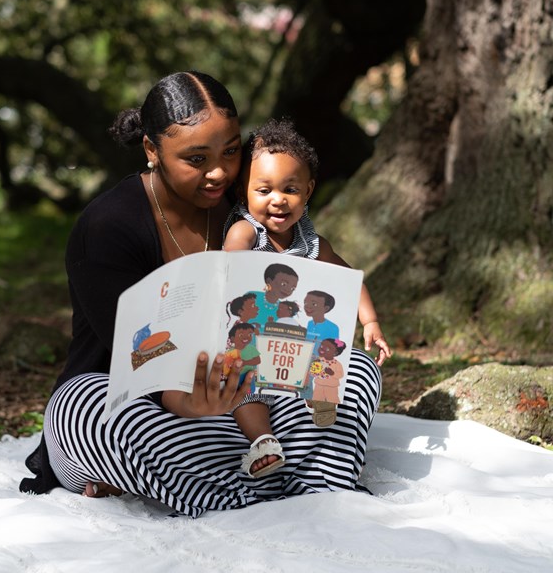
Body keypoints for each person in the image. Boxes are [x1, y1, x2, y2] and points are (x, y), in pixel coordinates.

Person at [21, 74, 382, 518]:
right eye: (196, 159)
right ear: (152, 151)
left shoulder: (250, 197)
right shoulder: (107, 226)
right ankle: (265, 493)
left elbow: (307, 270)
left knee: (354, 370)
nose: (220, 173)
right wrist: (189, 400)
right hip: (145, 405)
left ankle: (276, 481)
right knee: (80, 407)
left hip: (248, 400)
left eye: (231, 152)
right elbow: (130, 352)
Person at [223, 117, 391, 471]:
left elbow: (349, 278)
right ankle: (261, 441)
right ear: (243, 192)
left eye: (290, 189)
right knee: (244, 385)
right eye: (264, 190)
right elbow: (230, 265)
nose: (278, 201)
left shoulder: (312, 242)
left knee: (329, 359)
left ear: (309, 191)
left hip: (294, 343)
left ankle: (322, 404)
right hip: (252, 341)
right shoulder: (246, 232)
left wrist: (370, 320)